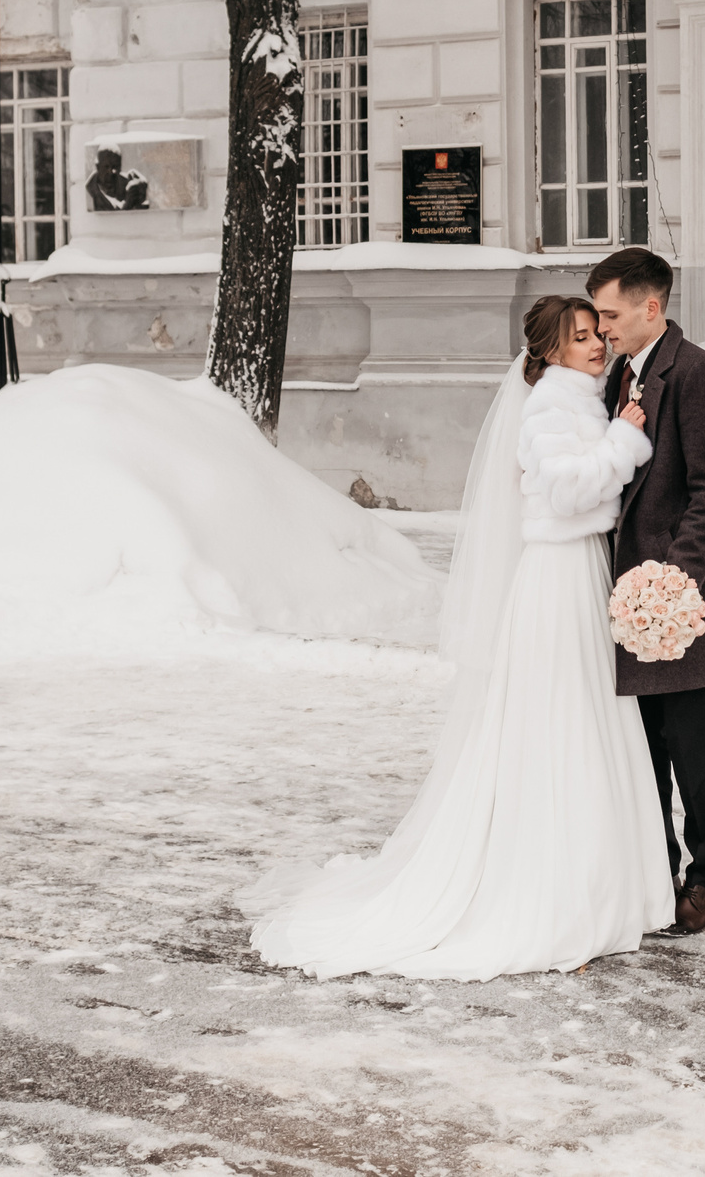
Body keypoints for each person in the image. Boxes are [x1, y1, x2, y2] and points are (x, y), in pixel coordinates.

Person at [240, 296, 671, 979]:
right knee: (562, 714)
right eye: (582, 338)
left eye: (597, 334)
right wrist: (623, 440)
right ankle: (556, 881)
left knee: (589, 710)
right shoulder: (549, 408)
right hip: (557, 575)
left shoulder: (580, 400)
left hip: (579, 568)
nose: (597, 345)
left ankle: (604, 873)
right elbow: (566, 494)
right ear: (551, 352)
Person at [588, 247, 705, 937]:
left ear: (652, 307)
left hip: (678, 602)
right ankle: (658, 871)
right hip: (628, 599)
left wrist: (674, 584)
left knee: (691, 744)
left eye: (611, 314)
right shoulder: (621, 374)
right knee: (642, 746)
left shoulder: (700, 374)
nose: (603, 328)